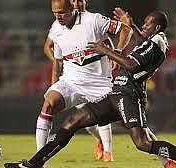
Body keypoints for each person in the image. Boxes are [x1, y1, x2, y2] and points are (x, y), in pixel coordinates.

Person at [4, 8, 176, 168]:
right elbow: (144, 40)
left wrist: (105, 50)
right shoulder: (153, 40)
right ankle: (33, 165)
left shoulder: (159, 43)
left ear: (157, 28)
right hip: (115, 94)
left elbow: (132, 65)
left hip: (129, 97)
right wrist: (132, 25)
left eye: (146, 24)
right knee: (71, 123)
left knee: (142, 143)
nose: (143, 27)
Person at [35, 0, 131, 164]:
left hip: (99, 84)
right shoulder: (56, 29)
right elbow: (58, 61)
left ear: (71, 9)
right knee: (48, 104)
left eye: (62, 12)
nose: (58, 16)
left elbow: (125, 29)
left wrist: (118, 51)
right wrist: (54, 84)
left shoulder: (93, 20)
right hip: (71, 82)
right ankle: (39, 160)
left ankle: (164, 158)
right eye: (55, 12)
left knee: (131, 122)